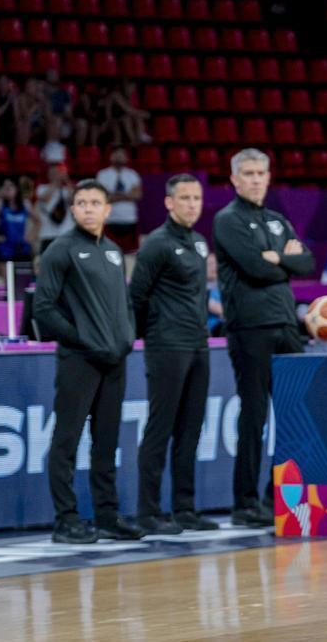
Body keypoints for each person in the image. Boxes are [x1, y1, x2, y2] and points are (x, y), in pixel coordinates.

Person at [33, 179, 140, 543]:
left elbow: (124, 305)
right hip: (79, 360)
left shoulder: (112, 251)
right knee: (67, 441)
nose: (89, 208)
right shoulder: (60, 251)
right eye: (81, 202)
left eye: (96, 202)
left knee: (106, 442)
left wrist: (126, 339)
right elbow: (43, 309)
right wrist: (84, 341)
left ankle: (107, 516)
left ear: (108, 209)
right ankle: (66, 520)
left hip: (114, 361)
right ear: (74, 209)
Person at [214, 148, 315, 527]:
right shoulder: (227, 220)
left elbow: (307, 263)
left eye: (261, 173)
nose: (256, 179)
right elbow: (255, 268)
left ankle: (285, 497)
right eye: (249, 173)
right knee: (254, 416)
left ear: (269, 177)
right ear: (235, 179)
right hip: (250, 328)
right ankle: (245, 504)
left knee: (295, 416)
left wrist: (278, 259)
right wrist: (279, 259)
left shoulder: (276, 220)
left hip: (286, 325)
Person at [130, 174, 219, 534]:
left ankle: (184, 509)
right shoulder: (156, 243)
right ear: (169, 202)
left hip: (199, 344)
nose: (192, 204)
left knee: (191, 430)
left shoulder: (198, 243)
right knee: (160, 428)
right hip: (167, 345)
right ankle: (148, 512)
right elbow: (137, 296)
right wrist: (151, 335)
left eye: (196, 198)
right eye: (184, 198)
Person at [97, 148, 143, 253]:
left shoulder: (132, 174)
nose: (119, 157)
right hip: (110, 221)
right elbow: (103, 198)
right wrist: (127, 195)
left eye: (122, 155)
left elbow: (138, 195)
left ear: (126, 158)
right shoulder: (103, 175)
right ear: (111, 157)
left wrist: (115, 195)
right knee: (110, 253)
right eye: (116, 154)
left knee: (131, 254)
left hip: (130, 220)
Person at [0, 179, 34, 263]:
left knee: (23, 273)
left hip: (22, 247)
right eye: (5, 187)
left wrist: (30, 236)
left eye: (10, 186)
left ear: (17, 188)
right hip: (5, 249)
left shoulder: (25, 204)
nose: (7, 189)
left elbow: (38, 221)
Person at [37, 164, 74, 253]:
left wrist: (67, 181)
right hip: (47, 234)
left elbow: (74, 199)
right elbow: (45, 198)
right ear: (48, 175)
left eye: (57, 173)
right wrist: (56, 183)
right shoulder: (42, 188)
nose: (56, 175)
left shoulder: (66, 190)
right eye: (53, 173)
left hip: (65, 234)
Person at [206, 253, 224, 336]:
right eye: (209, 264)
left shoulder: (225, 286)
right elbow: (219, 309)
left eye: (215, 264)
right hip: (214, 329)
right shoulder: (202, 288)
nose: (213, 267)